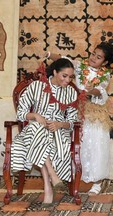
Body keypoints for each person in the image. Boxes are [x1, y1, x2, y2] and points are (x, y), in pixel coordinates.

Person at [45, 42, 113, 195]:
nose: (94, 58)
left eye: (99, 57)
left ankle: (97, 182)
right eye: (93, 54)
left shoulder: (105, 74)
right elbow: (63, 59)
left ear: (105, 62)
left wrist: (89, 91)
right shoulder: (79, 65)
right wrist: (49, 54)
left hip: (94, 112)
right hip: (75, 108)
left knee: (95, 143)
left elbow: (100, 90)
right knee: (75, 142)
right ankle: (69, 176)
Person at [11, 58, 78, 208]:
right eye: (64, 76)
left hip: (58, 132)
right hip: (35, 128)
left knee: (42, 138)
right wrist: (35, 115)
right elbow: (21, 113)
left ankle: (48, 186)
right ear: (54, 72)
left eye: (71, 77)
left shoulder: (71, 92)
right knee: (36, 129)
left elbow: (73, 121)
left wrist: (60, 124)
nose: (68, 80)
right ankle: (52, 179)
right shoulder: (36, 86)